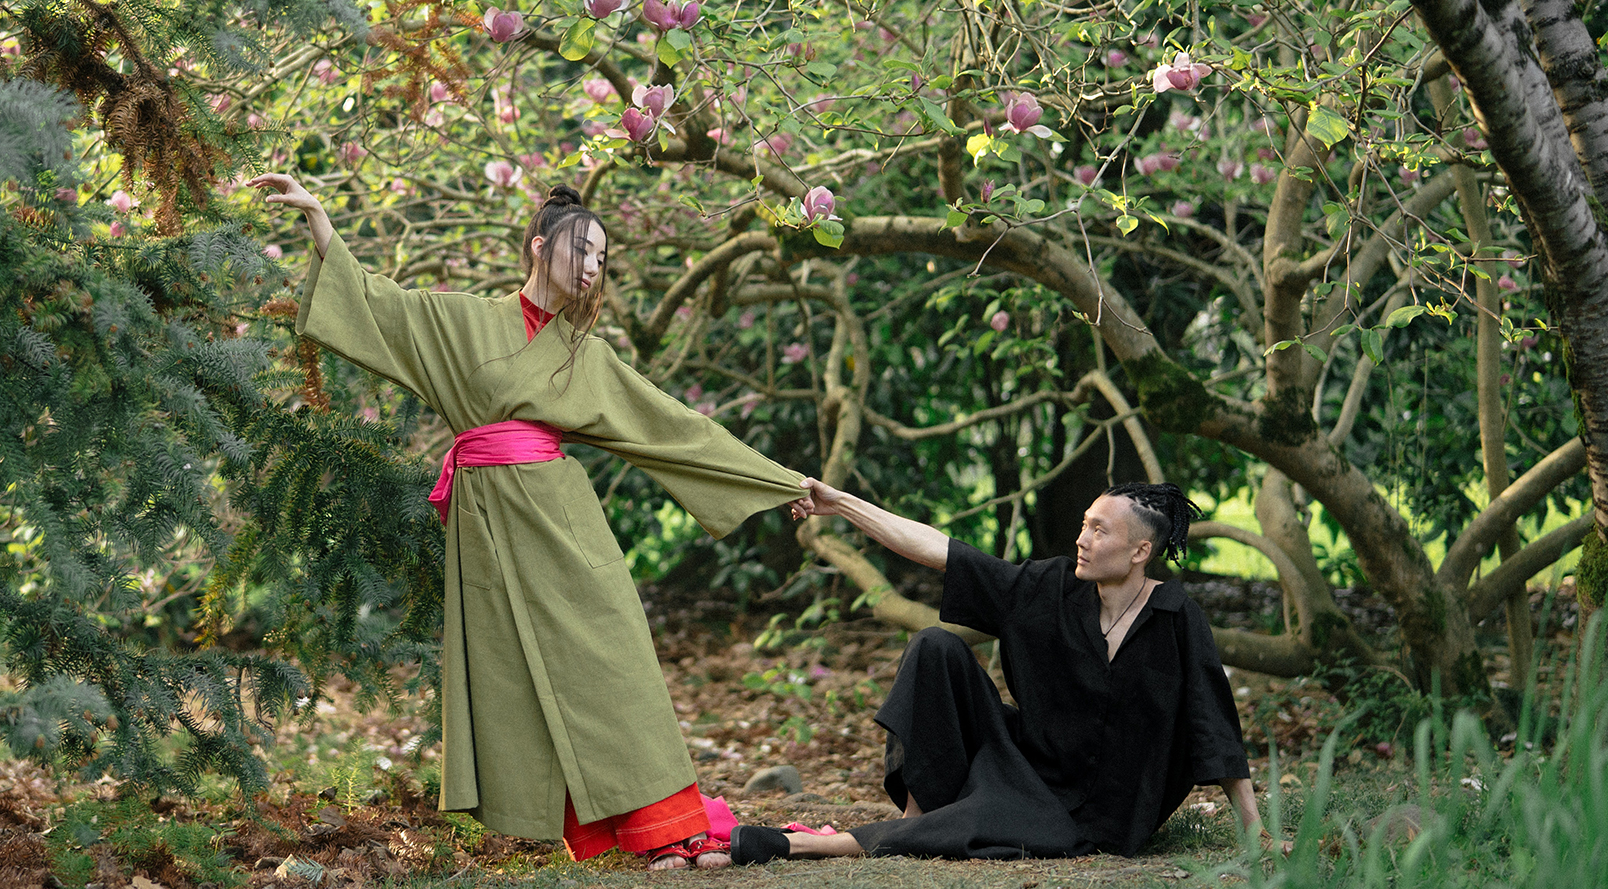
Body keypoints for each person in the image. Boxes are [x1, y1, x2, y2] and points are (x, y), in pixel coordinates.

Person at [248, 173, 806, 870]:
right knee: (517, 673)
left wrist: (777, 482)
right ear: (540, 247)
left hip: (561, 523)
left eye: (605, 258)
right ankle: (598, 832)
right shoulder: (463, 324)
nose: (594, 267)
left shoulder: (584, 354)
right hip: (486, 530)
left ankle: (671, 823)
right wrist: (320, 221)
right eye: (584, 251)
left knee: (610, 658)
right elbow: (380, 306)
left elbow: (672, 427)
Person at [732, 479, 1268, 863]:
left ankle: (802, 844)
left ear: (1139, 551)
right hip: (1025, 766)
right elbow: (942, 551)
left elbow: (1211, 721)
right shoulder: (1050, 587)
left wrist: (1255, 832)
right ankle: (915, 821)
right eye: (1083, 525)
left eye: (1099, 531)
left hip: (1104, 811)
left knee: (996, 818)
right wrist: (842, 504)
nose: (1081, 539)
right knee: (935, 647)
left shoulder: (1175, 617)